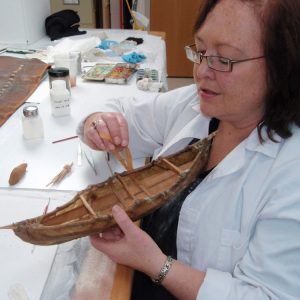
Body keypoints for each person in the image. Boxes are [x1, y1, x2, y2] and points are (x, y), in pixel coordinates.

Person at [77, 0, 300, 299]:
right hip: (133, 275)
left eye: (225, 60)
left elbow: (266, 295)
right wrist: (99, 123)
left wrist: (154, 263)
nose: (202, 71)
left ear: (282, 66)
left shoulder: (290, 172)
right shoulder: (198, 105)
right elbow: (117, 110)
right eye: (201, 50)